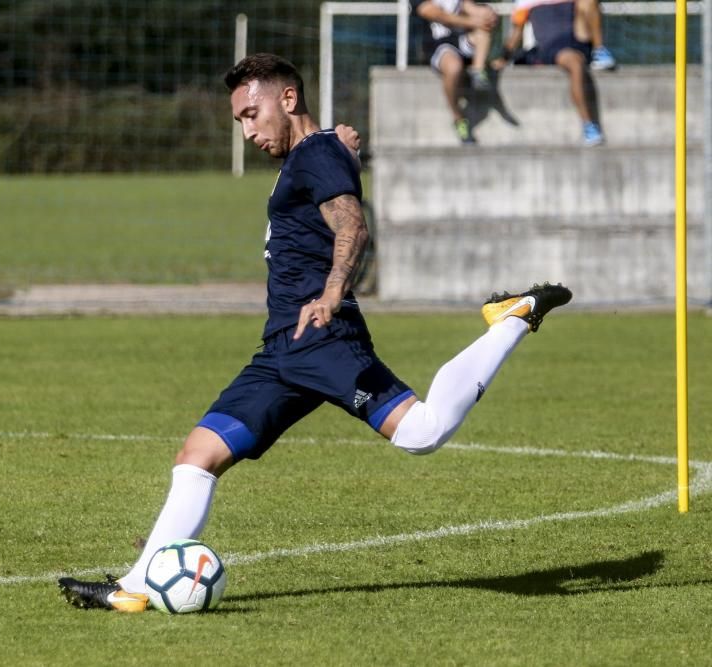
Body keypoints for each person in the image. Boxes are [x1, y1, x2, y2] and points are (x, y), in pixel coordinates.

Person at [58, 53, 572, 612]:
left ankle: (511, 319)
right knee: (196, 456)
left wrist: (331, 292)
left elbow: (352, 223)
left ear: (287, 99)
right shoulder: (318, 151)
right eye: (239, 122)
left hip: (324, 339)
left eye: (252, 114)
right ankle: (133, 589)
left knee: (422, 432)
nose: (248, 131)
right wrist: (337, 142)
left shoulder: (318, 154)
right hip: (281, 351)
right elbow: (326, 173)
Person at [498, 0, 614, 146]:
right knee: (575, 64)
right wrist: (503, 59)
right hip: (553, 47)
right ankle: (589, 126)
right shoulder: (526, 2)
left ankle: (599, 50)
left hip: (578, 38)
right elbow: (516, 33)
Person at [411, 0, 499, 144]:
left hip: (460, 41)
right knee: (453, 67)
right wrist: (472, 21)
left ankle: (478, 71)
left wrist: (487, 14)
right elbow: (434, 13)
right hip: (436, 45)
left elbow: (470, 7)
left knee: (483, 30)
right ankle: (458, 118)